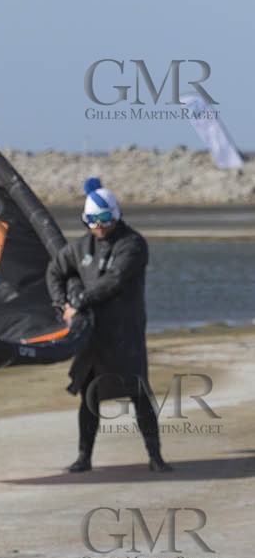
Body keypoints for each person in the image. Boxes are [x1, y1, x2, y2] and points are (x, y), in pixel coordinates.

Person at [46, 177, 172, 474]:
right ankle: (83, 458)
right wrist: (62, 304)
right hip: (92, 335)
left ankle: (155, 457)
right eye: (91, 220)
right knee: (89, 396)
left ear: (115, 214)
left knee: (139, 393)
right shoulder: (80, 247)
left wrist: (80, 300)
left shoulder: (133, 244)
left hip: (124, 332)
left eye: (103, 218)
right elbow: (55, 271)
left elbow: (114, 280)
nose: (98, 225)